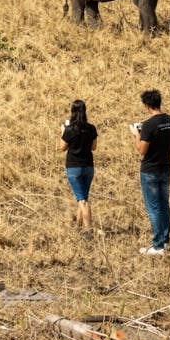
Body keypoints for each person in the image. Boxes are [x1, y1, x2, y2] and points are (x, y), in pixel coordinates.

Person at [133, 89, 170, 256]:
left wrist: (136, 134)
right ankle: (165, 241)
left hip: (150, 170)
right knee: (164, 205)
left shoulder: (149, 125)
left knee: (153, 208)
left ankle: (157, 245)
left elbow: (141, 150)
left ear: (146, 106)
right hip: (166, 168)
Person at [59, 99, 98, 238]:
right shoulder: (91, 128)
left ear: (72, 112)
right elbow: (94, 147)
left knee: (82, 200)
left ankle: (88, 230)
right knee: (83, 196)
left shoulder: (69, 130)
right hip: (88, 166)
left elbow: (62, 148)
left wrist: (63, 131)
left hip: (74, 167)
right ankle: (78, 226)